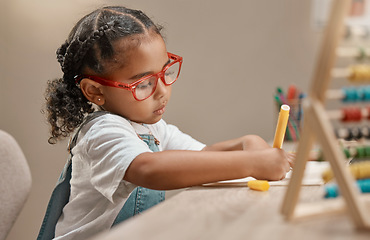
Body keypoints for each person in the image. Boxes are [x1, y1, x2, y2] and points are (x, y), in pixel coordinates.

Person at [38, 5, 294, 240]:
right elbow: (150, 169)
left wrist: (247, 143)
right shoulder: (102, 132)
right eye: (144, 82)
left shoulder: (150, 128)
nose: (163, 90)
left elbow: (202, 156)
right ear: (94, 91)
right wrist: (252, 162)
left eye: (165, 71)